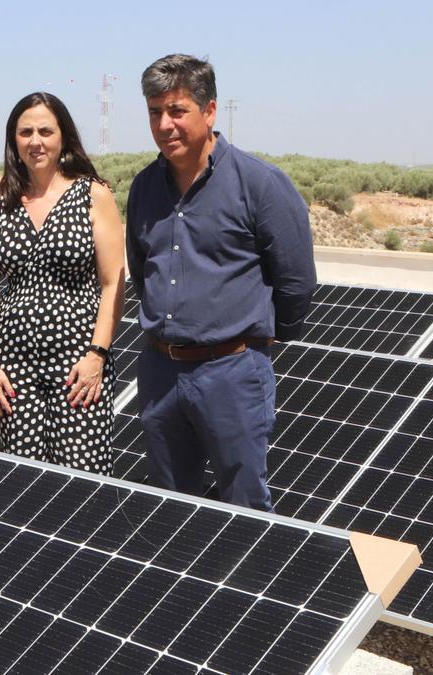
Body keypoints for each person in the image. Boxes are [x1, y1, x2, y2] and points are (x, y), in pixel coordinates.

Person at [127, 54, 316, 512]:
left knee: (245, 506)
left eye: (177, 111)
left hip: (230, 373)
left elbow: (296, 281)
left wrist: (257, 344)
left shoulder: (260, 183)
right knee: (171, 505)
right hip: (159, 372)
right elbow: (141, 268)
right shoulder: (144, 188)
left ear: (209, 110)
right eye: (155, 112)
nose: (165, 124)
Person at [0, 92, 126, 474]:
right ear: (14, 140)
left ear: (63, 138)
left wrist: (97, 355)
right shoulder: (0, 202)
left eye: (45, 131)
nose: (35, 141)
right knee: (24, 480)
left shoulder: (93, 195)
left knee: (83, 474)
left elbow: (112, 283)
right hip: (13, 368)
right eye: (25, 132)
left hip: (79, 364)